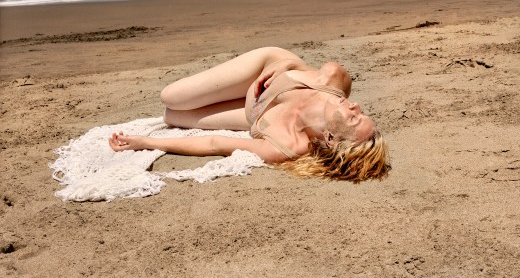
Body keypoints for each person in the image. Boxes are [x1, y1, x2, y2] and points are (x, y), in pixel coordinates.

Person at [108, 47, 390, 182]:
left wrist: (147, 142)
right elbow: (331, 65)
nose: (355, 107)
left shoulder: (286, 146)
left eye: (354, 118)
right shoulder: (333, 84)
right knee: (170, 97)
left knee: (172, 117)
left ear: (330, 138)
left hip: (250, 112)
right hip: (262, 73)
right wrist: (290, 62)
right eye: (359, 111)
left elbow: (215, 144)